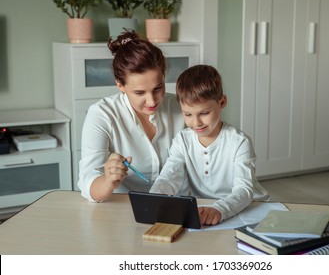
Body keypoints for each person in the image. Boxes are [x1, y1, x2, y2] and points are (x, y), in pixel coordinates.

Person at [150, 65, 269, 225]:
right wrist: (156, 197)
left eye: (204, 113)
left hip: (250, 208)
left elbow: (244, 190)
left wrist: (219, 209)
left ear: (222, 102)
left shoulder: (239, 142)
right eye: (188, 114)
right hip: (205, 211)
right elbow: (169, 176)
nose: (196, 122)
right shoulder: (182, 140)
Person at [78, 30, 184, 202]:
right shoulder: (101, 114)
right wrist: (107, 182)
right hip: (123, 210)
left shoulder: (180, 107)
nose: (151, 101)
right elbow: (88, 183)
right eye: (139, 92)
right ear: (120, 85)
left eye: (158, 88)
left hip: (178, 204)